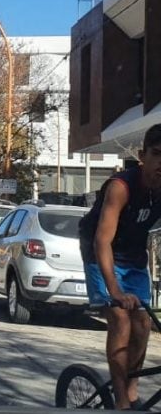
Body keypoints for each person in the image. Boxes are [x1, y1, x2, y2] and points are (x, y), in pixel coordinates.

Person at [79, 124, 161, 411]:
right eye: (157, 155)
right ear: (142, 155)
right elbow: (103, 241)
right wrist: (114, 290)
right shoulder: (121, 187)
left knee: (143, 324)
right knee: (121, 319)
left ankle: (132, 388)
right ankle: (121, 403)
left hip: (134, 256)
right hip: (99, 252)